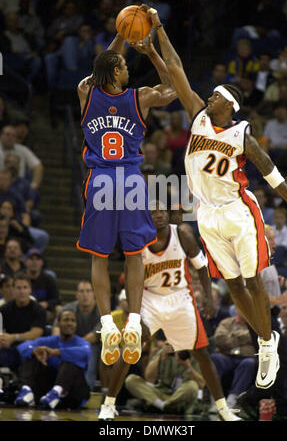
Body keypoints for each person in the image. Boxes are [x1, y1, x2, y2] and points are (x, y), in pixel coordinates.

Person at [148, 5, 287, 391]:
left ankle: (266, 342)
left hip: (237, 210)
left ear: (229, 105)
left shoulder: (241, 133)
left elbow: (271, 174)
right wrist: (159, 32)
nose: (207, 98)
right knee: (232, 286)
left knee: (253, 280)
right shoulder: (197, 115)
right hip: (206, 214)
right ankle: (266, 338)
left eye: (214, 97)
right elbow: (176, 69)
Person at [76, 28, 176, 369]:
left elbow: (99, 65)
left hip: (100, 179)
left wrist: (120, 35)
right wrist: (151, 53)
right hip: (131, 180)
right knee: (135, 255)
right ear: (117, 72)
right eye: (124, 66)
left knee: (99, 257)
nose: (128, 69)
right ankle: (133, 322)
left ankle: (107, 325)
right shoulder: (141, 97)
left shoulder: (85, 93)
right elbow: (174, 87)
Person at [98, 204, 241, 421]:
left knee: (201, 354)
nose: (159, 215)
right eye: (153, 212)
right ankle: (108, 405)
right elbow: (129, 281)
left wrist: (207, 298)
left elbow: (201, 267)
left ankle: (223, 409)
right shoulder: (136, 240)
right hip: (148, 299)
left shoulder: (182, 233)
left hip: (180, 297)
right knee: (129, 348)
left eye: (162, 211)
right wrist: (136, 317)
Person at [236, 225, 287, 420]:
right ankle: (254, 398)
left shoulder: (267, 259)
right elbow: (249, 296)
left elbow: (263, 289)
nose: (275, 243)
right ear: (260, 239)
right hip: (260, 319)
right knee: (282, 360)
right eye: (270, 238)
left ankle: (275, 404)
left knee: (278, 362)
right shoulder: (253, 260)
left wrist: (275, 285)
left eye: (275, 238)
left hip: (268, 318)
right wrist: (278, 300)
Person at [15, 309, 91, 409]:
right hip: (47, 391)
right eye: (66, 320)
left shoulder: (82, 343)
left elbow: (86, 352)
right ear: (58, 323)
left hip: (71, 392)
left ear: (76, 324)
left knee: (70, 361)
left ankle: (56, 392)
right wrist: (34, 351)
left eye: (73, 320)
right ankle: (26, 390)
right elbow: (22, 347)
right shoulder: (49, 340)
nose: (69, 323)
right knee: (32, 356)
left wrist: (57, 352)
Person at [125, 340, 205, 415]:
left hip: (180, 396)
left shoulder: (194, 354)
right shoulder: (165, 351)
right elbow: (149, 378)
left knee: (192, 386)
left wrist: (188, 367)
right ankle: (164, 406)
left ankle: (161, 404)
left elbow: (201, 384)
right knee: (131, 380)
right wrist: (162, 355)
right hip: (160, 392)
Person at [52, 280, 101, 390]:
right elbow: (56, 330)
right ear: (77, 294)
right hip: (68, 344)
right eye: (82, 291)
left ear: (94, 293)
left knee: (90, 350)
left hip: (92, 345)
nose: (85, 295)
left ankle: (86, 389)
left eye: (88, 291)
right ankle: (56, 388)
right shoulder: (67, 309)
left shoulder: (102, 311)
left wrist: (74, 348)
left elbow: (94, 336)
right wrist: (58, 345)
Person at [210, 309, 257, 408]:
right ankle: (215, 399)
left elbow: (255, 343)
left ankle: (232, 400)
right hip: (227, 357)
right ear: (236, 308)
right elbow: (219, 339)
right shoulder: (226, 322)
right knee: (215, 358)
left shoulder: (256, 325)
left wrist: (233, 336)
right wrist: (245, 339)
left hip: (246, 358)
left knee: (249, 363)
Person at [0, 272, 46, 371]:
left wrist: (14, 337)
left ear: (30, 289)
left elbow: (36, 333)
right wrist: (3, 340)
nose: (22, 291)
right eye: (18, 288)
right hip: (9, 347)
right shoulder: (5, 309)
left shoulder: (38, 310)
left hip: (32, 347)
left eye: (25, 288)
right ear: (13, 289)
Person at [25, 248, 61, 322]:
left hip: (43, 313)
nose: (34, 262)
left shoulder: (48, 279)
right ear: (26, 261)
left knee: (59, 309)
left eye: (37, 259)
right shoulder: (20, 278)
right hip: (22, 310)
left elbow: (57, 299)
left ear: (42, 262)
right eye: (31, 259)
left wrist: (47, 303)